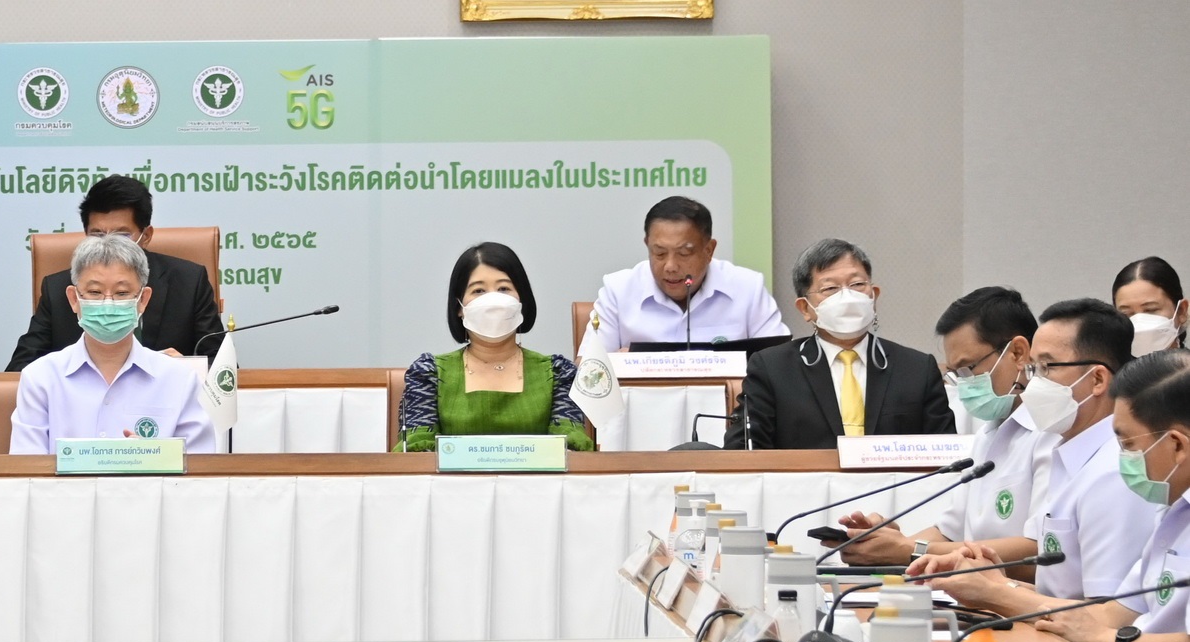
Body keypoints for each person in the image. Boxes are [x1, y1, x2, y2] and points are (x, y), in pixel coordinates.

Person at [910, 300, 1154, 609]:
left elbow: (1103, 616)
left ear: (1097, 380)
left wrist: (995, 592)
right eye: (1032, 368)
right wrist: (993, 583)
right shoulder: (1070, 457)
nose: (1031, 383)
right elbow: (1055, 592)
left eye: (1047, 368)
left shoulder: (1113, 473)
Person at [835, 286, 1054, 566]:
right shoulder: (987, 435)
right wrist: (883, 545)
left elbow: (1038, 549)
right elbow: (949, 533)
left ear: (1019, 353)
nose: (963, 385)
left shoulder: (1052, 432)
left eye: (968, 368)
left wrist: (908, 550)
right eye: (955, 374)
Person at [1003, 350, 1190, 642]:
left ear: (1177, 445)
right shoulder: (1173, 510)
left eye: (1128, 444)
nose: (1121, 458)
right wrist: (998, 589)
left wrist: (1102, 641)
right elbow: (1114, 614)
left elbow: (1107, 631)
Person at [724, 238, 953, 450]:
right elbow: (744, 448)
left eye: (857, 284)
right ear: (805, 308)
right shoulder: (772, 368)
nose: (847, 297)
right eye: (830, 288)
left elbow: (946, 451)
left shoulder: (917, 369)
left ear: (874, 296)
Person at [10, 235, 218, 454]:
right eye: (95, 292)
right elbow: (27, 467)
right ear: (74, 299)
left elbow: (200, 467)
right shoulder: (40, 378)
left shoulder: (179, 380)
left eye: (122, 293)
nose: (108, 304)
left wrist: (154, 459)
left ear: (143, 300)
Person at [8, 175, 224, 371]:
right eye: (97, 234)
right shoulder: (58, 288)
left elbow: (223, 367)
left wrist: (186, 368)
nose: (109, 243)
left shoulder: (189, 281)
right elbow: (19, 370)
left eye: (121, 235)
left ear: (146, 235)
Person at [397, 243, 594, 452]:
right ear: (459, 307)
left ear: (522, 300)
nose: (493, 301)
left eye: (504, 289)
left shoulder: (558, 373)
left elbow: (571, 452)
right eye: (478, 291)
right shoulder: (428, 374)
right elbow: (415, 455)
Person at [580, 196, 787, 353]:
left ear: (709, 250)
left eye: (684, 253)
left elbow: (780, 365)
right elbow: (586, 372)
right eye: (659, 253)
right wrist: (618, 365)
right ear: (647, 245)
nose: (670, 266)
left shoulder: (747, 288)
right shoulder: (618, 290)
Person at [1115, 256, 1187, 357]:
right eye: (1126, 314)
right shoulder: (1104, 367)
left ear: (1181, 311)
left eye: (1150, 310)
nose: (1139, 323)